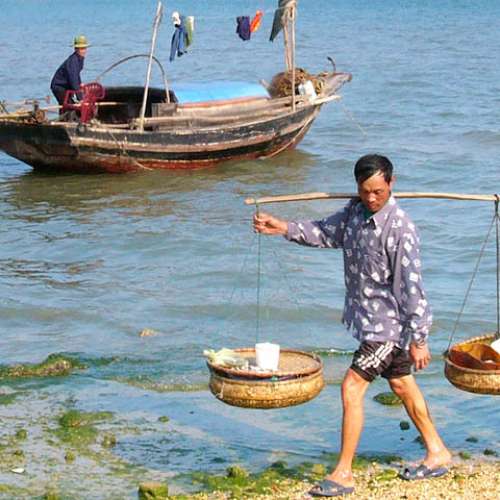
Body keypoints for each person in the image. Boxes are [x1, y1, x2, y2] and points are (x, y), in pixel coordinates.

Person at [253, 154, 451, 497]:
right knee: (402, 385)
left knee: (351, 388)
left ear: (391, 183)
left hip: (386, 328)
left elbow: (411, 287)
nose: (371, 198)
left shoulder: (400, 228)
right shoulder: (354, 213)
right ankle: (438, 451)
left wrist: (419, 338)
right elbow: (325, 232)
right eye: (365, 191)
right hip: (367, 320)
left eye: (378, 191)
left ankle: (343, 473)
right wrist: (282, 227)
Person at [50, 35, 89, 106]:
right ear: (75, 49)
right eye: (81, 49)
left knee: (72, 103)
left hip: (67, 86)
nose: (83, 51)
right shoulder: (73, 61)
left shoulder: (80, 59)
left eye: (84, 48)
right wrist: (80, 98)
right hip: (59, 87)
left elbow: (77, 75)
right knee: (68, 106)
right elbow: (73, 80)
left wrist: (80, 84)